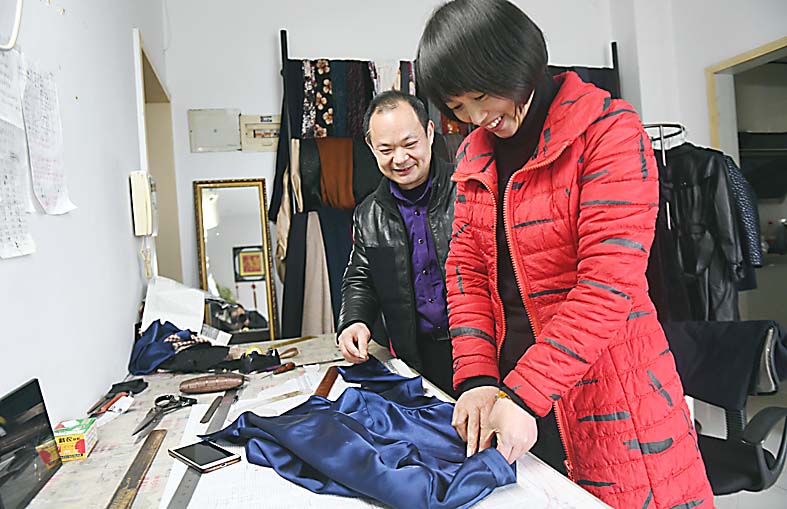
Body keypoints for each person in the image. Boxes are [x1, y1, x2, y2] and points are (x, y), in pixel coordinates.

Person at [416, 1, 713, 507]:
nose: (477, 118)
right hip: (513, 401)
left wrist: (525, 393)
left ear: (517, 62)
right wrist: (478, 378)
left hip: (610, 397)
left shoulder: (608, 133)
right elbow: (466, 273)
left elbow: (607, 286)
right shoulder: (473, 155)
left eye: (482, 96)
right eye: (458, 107)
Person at [336, 90, 458, 397]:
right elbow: (361, 277)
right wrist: (354, 321)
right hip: (414, 356)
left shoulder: (468, 191)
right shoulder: (368, 214)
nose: (400, 159)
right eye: (386, 149)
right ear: (371, 147)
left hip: (477, 350)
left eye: (410, 144)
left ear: (429, 132)